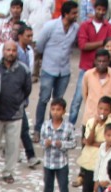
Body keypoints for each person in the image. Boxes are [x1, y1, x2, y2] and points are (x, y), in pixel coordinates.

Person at [32, 1, 79, 139]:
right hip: (49, 68)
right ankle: (38, 129)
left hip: (64, 70)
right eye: (74, 13)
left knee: (58, 102)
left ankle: (52, 129)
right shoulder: (51, 26)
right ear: (65, 14)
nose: (76, 15)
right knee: (44, 99)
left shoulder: (75, 28)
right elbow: (39, 45)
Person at [32, 98, 76, 192]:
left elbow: (73, 143)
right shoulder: (46, 125)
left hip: (61, 164)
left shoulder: (68, 127)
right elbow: (41, 141)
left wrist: (61, 144)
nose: (55, 112)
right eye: (53, 109)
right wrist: (44, 144)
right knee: (47, 190)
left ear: (63, 111)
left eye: (58, 110)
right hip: (48, 163)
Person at [0, 41, 30, 184]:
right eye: (8, 50)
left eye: (13, 50)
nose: (11, 53)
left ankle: (8, 172)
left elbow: (27, 90)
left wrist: (18, 103)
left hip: (15, 114)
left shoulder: (23, 69)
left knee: (12, 146)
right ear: (3, 51)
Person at [75, 96, 111, 192]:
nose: (102, 112)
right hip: (91, 163)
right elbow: (88, 141)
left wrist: (95, 143)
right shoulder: (91, 122)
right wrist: (95, 126)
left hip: (105, 163)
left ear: (110, 111)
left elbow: (109, 143)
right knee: (87, 191)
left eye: (106, 109)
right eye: (100, 108)